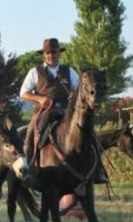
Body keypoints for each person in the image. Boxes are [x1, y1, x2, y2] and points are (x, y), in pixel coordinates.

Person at [19, 38, 108, 186]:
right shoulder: (35, 72)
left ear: (59, 53)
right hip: (44, 111)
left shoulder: (69, 71)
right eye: (48, 53)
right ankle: (30, 171)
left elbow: (80, 91)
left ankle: (98, 170)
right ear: (44, 54)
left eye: (54, 52)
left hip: (67, 111)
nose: (51, 55)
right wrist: (41, 100)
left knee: (90, 133)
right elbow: (23, 93)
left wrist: (75, 96)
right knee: (31, 133)